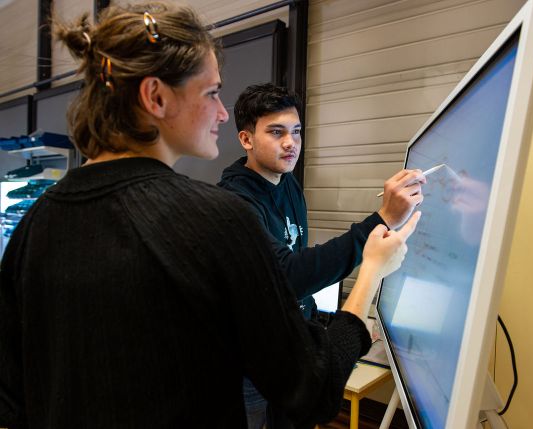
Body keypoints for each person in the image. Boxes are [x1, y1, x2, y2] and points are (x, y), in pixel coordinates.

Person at [0, 3, 421, 429]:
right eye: (212, 93)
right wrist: (370, 270)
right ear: (156, 97)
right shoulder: (217, 217)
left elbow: (13, 395)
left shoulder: (35, 224)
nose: (221, 112)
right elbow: (310, 389)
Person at [218, 84, 425, 428]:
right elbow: (286, 275)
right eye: (276, 132)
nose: (291, 142)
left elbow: (298, 258)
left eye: (296, 131)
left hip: (291, 346)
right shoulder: (234, 203)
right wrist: (381, 220)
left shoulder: (287, 182)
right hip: (252, 367)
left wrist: (318, 328)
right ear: (246, 139)